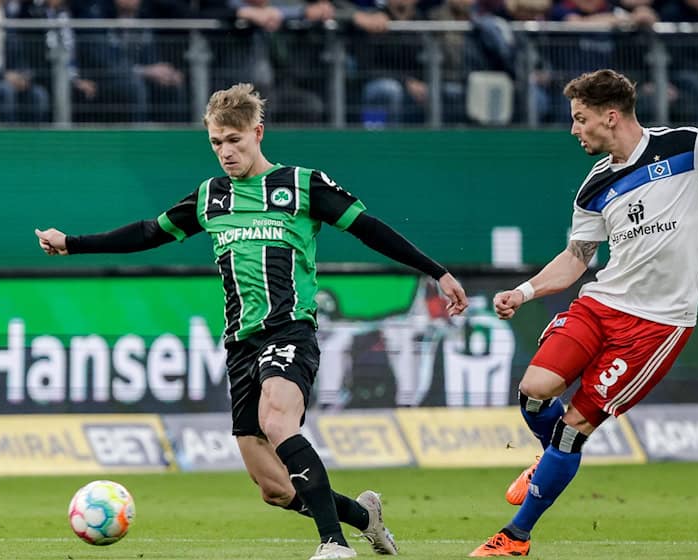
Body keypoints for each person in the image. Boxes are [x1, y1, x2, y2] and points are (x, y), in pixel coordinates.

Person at [35, 83, 469, 560]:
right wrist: (72, 242)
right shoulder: (209, 199)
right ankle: (364, 517)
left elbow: (370, 230)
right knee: (275, 489)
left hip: (290, 330)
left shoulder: (302, 186)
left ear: (257, 133)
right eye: (216, 142)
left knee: (276, 418)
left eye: (234, 140)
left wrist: (437, 271)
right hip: (240, 345)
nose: (225, 151)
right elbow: (146, 233)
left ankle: (334, 544)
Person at [469, 68, 698, 556]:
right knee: (533, 391)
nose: (574, 130)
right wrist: (525, 291)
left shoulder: (685, 146)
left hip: (656, 325)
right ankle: (548, 457)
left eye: (580, 119)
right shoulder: (594, 186)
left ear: (610, 117)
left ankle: (516, 536)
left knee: (572, 430)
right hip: (602, 303)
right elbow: (577, 258)